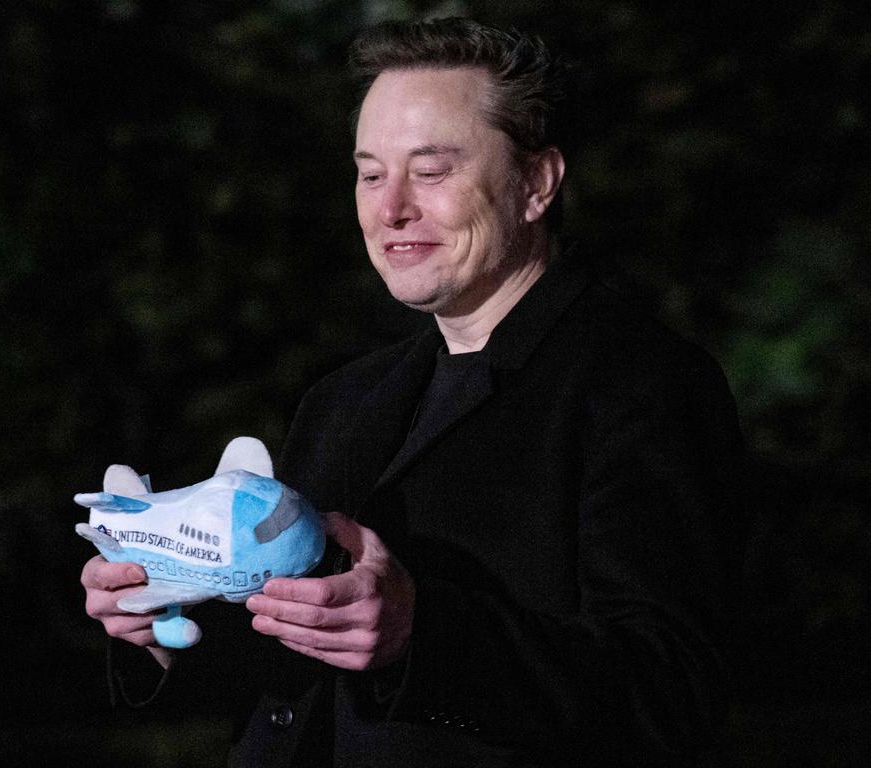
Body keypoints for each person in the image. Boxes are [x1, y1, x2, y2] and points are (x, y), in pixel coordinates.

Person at [80, 17, 743, 768]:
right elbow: (288, 672)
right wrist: (161, 616)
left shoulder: (642, 383)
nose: (390, 207)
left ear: (536, 183)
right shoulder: (345, 399)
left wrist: (417, 637)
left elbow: (672, 692)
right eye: (370, 173)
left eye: (430, 171)